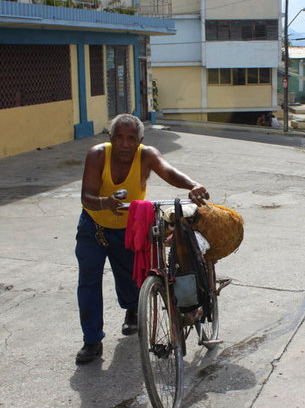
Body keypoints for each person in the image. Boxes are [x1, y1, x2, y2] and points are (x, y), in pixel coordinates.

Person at [75, 113, 208, 364]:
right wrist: (105, 202)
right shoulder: (97, 155)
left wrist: (193, 185)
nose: (125, 144)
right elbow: (86, 196)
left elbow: (168, 171)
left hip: (130, 225)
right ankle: (91, 340)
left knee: (129, 275)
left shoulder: (147, 155)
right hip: (94, 227)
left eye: (131, 139)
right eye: (119, 138)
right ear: (110, 138)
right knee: (88, 281)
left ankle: (132, 310)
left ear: (140, 140)